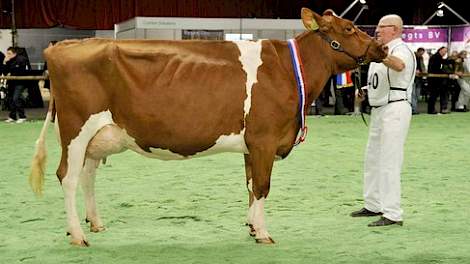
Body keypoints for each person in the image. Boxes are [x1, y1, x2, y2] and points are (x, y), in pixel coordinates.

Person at [350, 14, 416, 227]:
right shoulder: (382, 52)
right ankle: (373, 204)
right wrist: (366, 91)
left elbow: (399, 67)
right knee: (372, 158)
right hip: (379, 110)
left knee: (389, 161)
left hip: (395, 108)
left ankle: (393, 213)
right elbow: (382, 81)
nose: (377, 31)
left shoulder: (401, 50)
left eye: (381, 27)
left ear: (395, 29)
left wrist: (378, 56)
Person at [3, 47, 29, 123]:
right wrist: (4, 63)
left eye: (9, 53)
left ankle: (22, 117)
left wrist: (11, 73)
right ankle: (12, 116)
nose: (7, 55)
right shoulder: (8, 61)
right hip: (11, 83)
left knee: (16, 98)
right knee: (11, 99)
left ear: (14, 53)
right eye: (7, 53)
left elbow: (21, 71)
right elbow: (5, 73)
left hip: (20, 83)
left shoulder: (21, 59)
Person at [427, 47, 449, 114]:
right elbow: (436, 69)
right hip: (434, 80)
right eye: (444, 51)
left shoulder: (438, 57)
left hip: (437, 79)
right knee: (433, 95)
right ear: (440, 50)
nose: (445, 53)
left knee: (434, 95)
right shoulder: (435, 57)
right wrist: (446, 73)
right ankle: (431, 110)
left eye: (446, 52)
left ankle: (432, 109)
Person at [412, 47, 426, 114]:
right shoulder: (412, 57)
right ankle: (413, 109)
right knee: (413, 95)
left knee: (417, 95)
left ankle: (414, 108)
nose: (421, 55)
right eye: (421, 53)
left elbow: (422, 66)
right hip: (413, 79)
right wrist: (415, 71)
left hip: (419, 78)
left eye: (422, 54)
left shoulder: (421, 58)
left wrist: (424, 72)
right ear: (418, 51)